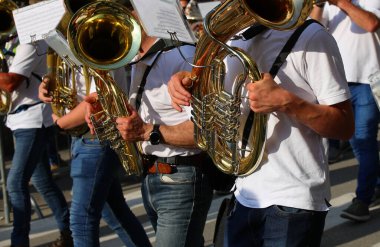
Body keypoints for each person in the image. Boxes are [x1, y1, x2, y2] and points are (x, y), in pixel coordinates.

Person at [167, 14, 354, 247]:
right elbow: (211, 113)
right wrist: (186, 86)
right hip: (243, 193)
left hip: (292, 199)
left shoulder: (312, 36)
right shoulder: (231, 38)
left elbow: (344, 126)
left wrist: (288, 102)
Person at [85, 12, 214, 247]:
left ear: (136, 14)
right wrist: (104, 112)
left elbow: (205, 132)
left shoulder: (181, 56)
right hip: (152, 176)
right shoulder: (140, 59)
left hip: (180, 178)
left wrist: (146, 131)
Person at [39, 60, 152, 247]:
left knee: (80, 222)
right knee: (116, 214)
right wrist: (46, 82)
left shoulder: (95, 37)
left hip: (96, 137)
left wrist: (61, 123)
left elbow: (100, 95)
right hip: (86, 138)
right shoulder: (62, 38)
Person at [0, 29, 72, 247]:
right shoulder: (9, 45)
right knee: (42, 181)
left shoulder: (29, 43)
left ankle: (19, 242)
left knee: (15, 182)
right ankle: (69, 231)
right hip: (19, 119)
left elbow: (12, 81)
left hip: (33, 121)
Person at [311, 0, 380, 222]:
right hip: (340, 84)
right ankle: (375, 185)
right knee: (357, 143)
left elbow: (371, 24)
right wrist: (320, 5)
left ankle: (362, 200)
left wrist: (342, 2)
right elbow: (311, 30)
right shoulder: (330, 7)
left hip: (368, 81)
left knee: (363, 139)